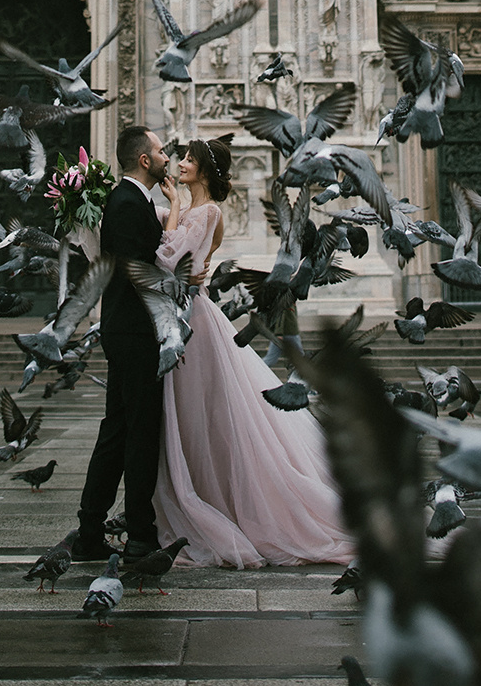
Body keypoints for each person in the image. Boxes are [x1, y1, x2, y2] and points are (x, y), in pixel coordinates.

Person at [150, 138, 350, 567]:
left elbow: (169, 257)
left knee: (205, 414)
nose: (181, 164)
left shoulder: (208, 212)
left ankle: (216, 502)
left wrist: (175, 211)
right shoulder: (188, 210)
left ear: (205, 171)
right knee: (198, 416)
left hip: (194, 324)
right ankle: (209, 493)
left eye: (188, 159)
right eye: (181, 157)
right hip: (189, 316)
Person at [75, 125, 170, 562]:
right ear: (144, 160)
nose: (168, 155)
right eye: (161, 149)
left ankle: (90, 531)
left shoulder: (135, 201)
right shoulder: (128, 203)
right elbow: (136, 269)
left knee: (117, 430)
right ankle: (139, 536)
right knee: (140, 433)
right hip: (134, 330)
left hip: (126, 328)